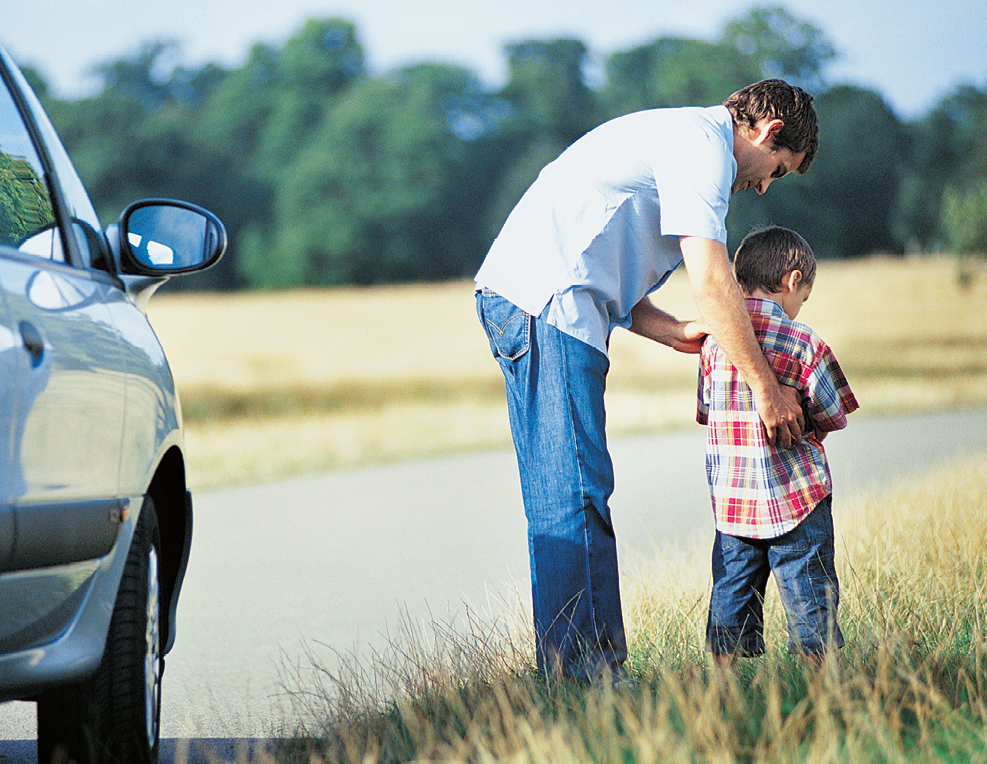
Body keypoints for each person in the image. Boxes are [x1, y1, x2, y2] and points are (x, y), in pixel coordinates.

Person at [474, 79, 819, 680]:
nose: (764, 185)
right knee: (573, 497)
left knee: (572, 494)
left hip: (550, 304)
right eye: (778, 169)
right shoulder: (703, 148)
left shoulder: (687, 140)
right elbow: (712, 280)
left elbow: (604, 266)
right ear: (768, 132)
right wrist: (765, 386)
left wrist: (670, 330)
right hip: (545, 306)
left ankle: (575, 674)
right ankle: (588, 679)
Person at [697, 226, 859, 666]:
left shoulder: (713, 343)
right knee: (811, 600)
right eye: (802, 296)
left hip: (734, 505)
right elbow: (833, 414)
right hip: (797, 500)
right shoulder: (804, 341)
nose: (799, 306)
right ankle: (819, 683)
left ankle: (722, 688)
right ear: (791, 281)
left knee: (730, 597)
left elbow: (706, 410)